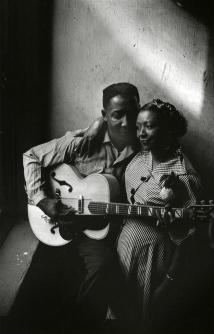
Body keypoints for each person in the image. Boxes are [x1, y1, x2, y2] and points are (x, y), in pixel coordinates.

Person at [22, 82, 140, 333]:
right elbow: (30, 156)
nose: (127, 122)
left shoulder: (143, 145)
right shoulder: (83, 141)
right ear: (104, 115)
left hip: (107, 223)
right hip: (68, 223)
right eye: (118, 114)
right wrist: (42, 200)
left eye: (133, 112)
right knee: (101, 265)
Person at [117, 98, 202, 333]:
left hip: (153, 261)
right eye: (138, 127)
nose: (141, 133)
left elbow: (189, 238)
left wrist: (168, 283)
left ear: (168, 130)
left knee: (144, 322)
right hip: (125, 251)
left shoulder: (183, 176)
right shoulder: (141, 157)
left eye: (149, 126)